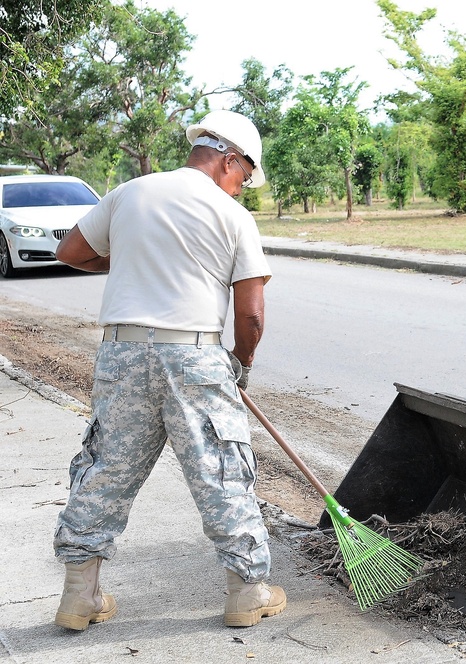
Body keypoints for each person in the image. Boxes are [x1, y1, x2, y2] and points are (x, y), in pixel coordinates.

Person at [51, 110, 285, 631]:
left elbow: (70, 251)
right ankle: (247, 592)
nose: (242, 188)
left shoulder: (130, 192)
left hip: (122, 352)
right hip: (193, 356)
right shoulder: (231, 216)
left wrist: (135, 256)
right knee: (221, 469)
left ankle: (78, 597)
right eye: (244, 176)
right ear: (228, 160)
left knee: (105, 469)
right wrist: (241, 365)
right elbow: (250, 314)